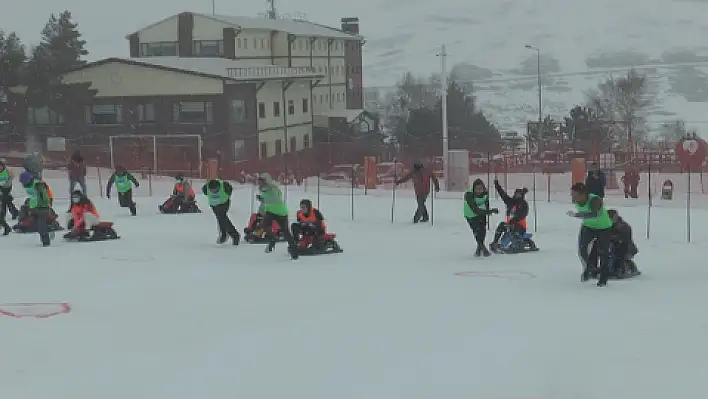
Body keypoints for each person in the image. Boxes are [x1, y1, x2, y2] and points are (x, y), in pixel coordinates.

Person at [567, 182, 614, 286]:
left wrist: (576, 214)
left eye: (575, 195)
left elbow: (595, 214)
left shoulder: (595, 200)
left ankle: (603, 277)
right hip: (588, 226)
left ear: (583, 194)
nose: (573, 197)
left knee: (603, 252)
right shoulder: (576, 200)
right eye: (572, 194)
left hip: (603, 227)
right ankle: (589, 269)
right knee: (582, 249)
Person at [256, 173, 297, 258]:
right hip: (270, 211)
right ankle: (273, 239)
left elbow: (276, 199)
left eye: (261, 181)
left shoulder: (273, 188)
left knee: (286, 232)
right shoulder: (261, 189)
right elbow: (267, 199)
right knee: (265, 225)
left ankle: (294, 251)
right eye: (258, 181)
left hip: (281, 212)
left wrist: (264, 199)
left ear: (266, 181)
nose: (259, 183)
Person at [489, 179, 529, 252]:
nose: (517, 196)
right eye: (516, 194)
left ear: (522, 195)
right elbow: (503, 195)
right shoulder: (510, 202)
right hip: (510, 225)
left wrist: (515, 219)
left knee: (514, 227)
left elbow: (523, 214)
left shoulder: (523, 204)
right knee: (501, 225)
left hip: (520, 226)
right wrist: (497, 186)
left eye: (519, 195)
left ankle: (517, 244)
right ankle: (495, 242)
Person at [464, 179, 499, 257]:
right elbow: (475, 210)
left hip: (482, 213)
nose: (479, 191)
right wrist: (490, 211)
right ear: (473, 189)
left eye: (480, 188)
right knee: (476, 231)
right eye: (476, 189)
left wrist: (488, 210)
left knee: (483, 231)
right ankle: (483, 248)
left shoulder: (485, 193)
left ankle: (478, 250)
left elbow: (486, 203)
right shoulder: (469, 195)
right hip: (470, 214)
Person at [201, 178, 240, 245]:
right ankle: (225, 234)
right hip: (214, 205)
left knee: (222, 217)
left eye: (215, 190)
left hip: (224, 203)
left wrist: (226, 197)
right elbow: (205, 193)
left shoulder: (224, 185)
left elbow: (230, 190)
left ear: (218, 186)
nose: (213, 191)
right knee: (220, 218)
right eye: (212, 190)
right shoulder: (205, 187)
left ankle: (233, 235)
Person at [19, 171, 52, 246]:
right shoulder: (28, 186)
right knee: (37, 224)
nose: (23, 184)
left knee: (41, 225)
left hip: (42, 208)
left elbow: (43, 196)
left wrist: (45, 205)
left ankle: (46, 241)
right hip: (34, 208)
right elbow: (33, 197)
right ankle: (47, 231)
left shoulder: (37, 185)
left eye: (23, 182)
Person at [607, 209, 638, 274]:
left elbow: (625, 237)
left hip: (625, 246)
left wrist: (613, 238)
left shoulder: (624, 226)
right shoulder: (606, 226)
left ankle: (621, 267)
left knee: (618, 255)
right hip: (611, 246)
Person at [0, 160, 19, 235]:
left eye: (1, 166)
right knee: (6, 203)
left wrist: (5, 185)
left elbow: (10, 179)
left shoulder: (7, 171)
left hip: (5, 189)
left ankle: (6, 218)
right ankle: (13, 213)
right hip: (1, 190)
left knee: (5, 202)